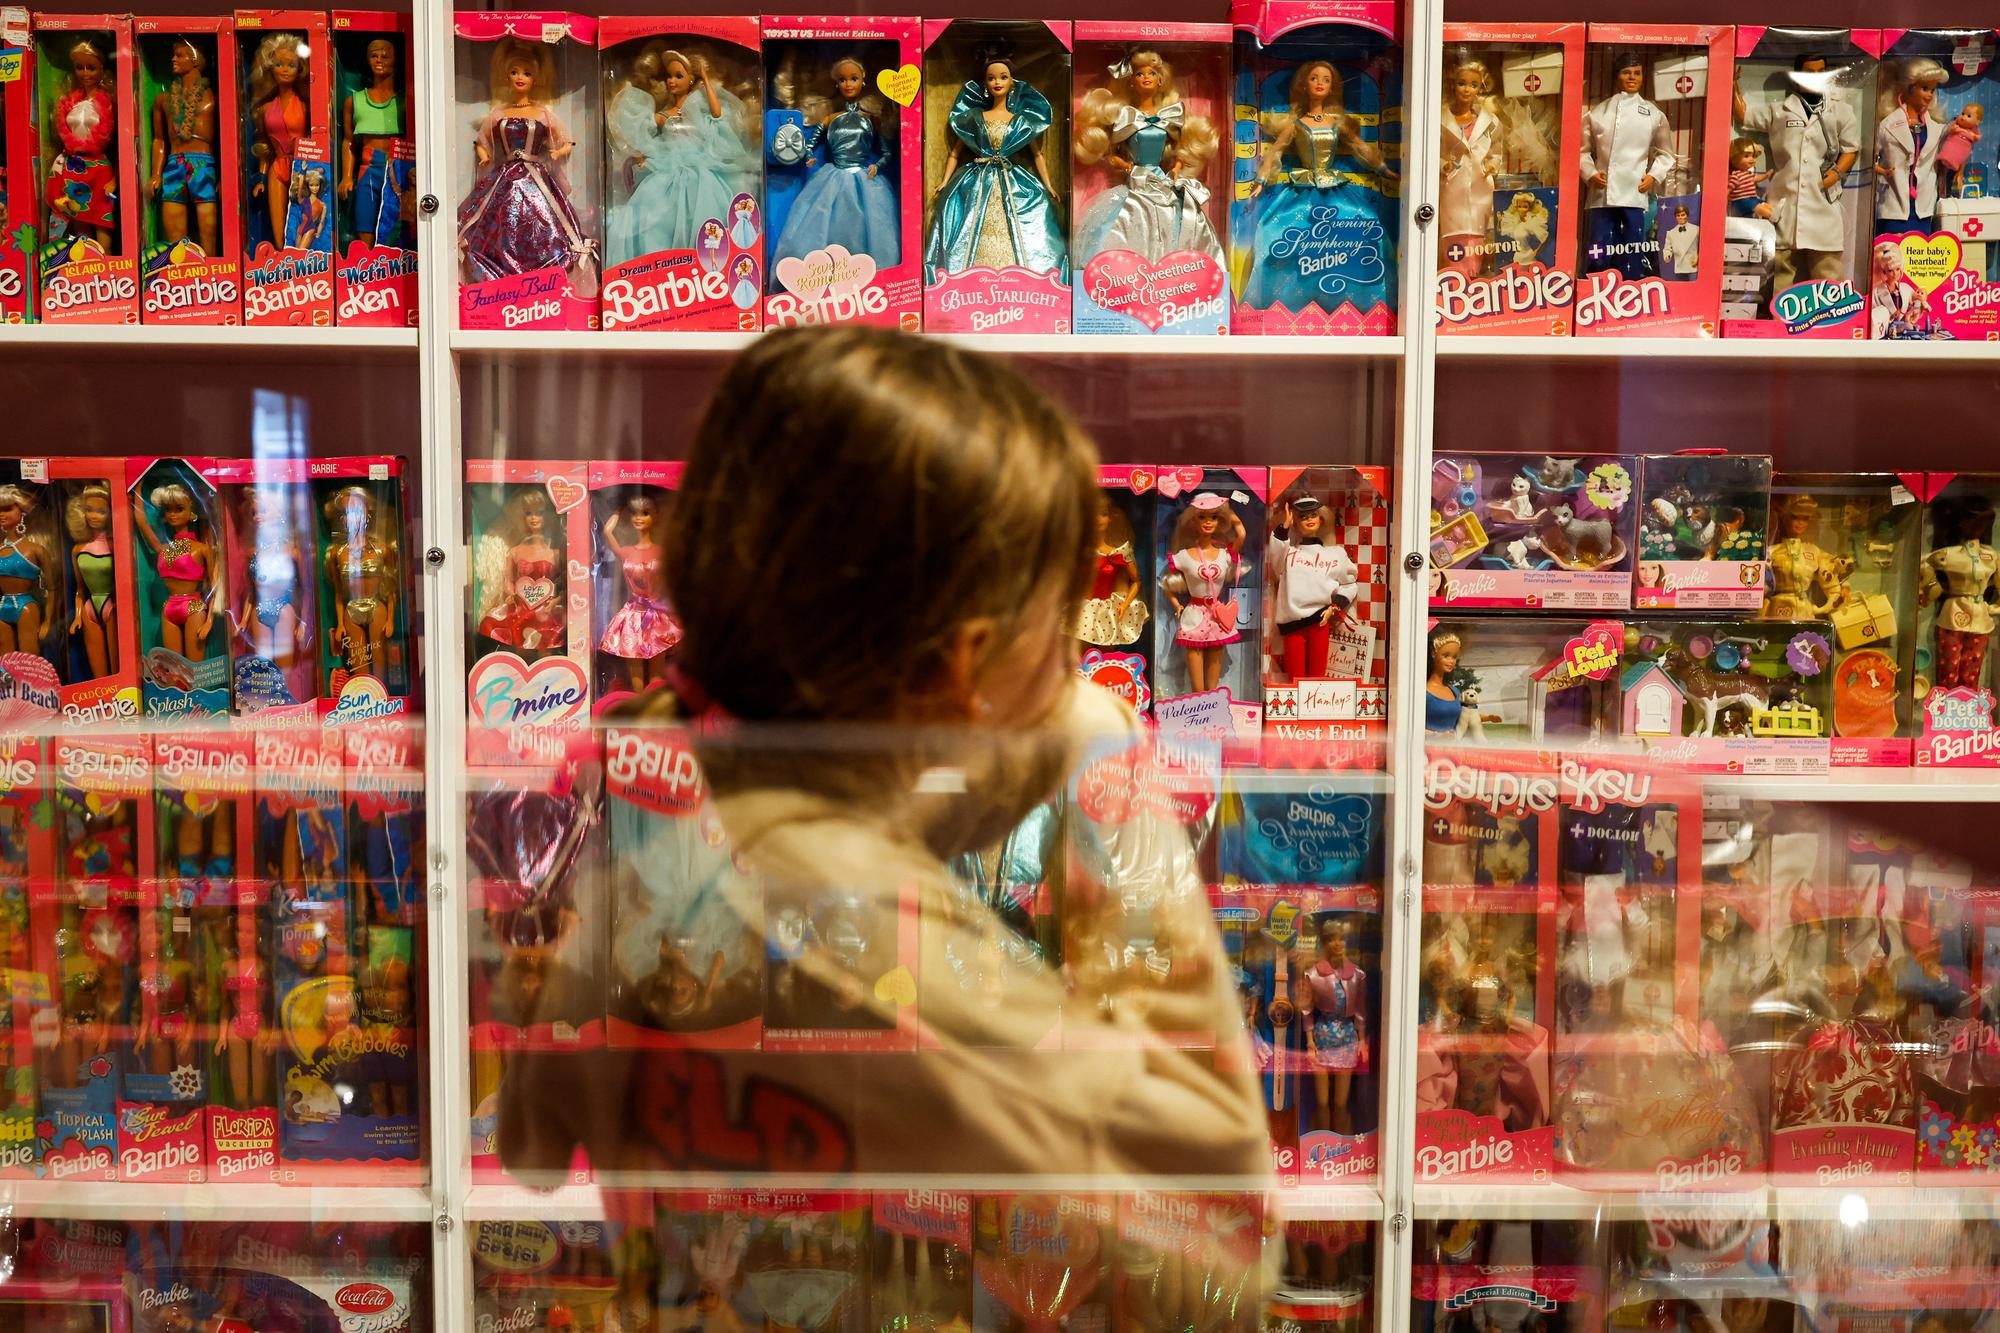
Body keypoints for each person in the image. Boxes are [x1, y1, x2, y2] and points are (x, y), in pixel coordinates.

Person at [495, 327, 1273, 1195]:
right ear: (964, 664)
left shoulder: (658, 773)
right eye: (1052, 625)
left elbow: (531, 1143)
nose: (1069, 661)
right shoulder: (922, 952)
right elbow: (1219, 1194)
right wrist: (1101, 737)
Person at [1732, 52, 1860, 290]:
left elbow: (1851, 148)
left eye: (1820, 72)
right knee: (1782, 274)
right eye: (1808, 73)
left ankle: (1829, 312)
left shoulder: (1840, 111)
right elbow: (1744, 116)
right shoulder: (1780, 111)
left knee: (1828, 274)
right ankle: (1778, 313)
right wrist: (1732, 84)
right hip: (1785, 202)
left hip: (1823, 202)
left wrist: (1837, 173)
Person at [1580, 51, 1674, 283]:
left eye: (1637, 73)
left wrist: (1653, 176)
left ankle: (1630, 284)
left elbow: (1666, 154)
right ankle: (1595, 283)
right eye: (1626, 72)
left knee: (1632, 247)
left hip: (1635, 191)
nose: (1632, 77)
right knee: (1598, 247)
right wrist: (1591, 173)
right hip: (1602, 193)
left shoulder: (1653, 114)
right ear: (1616, 76)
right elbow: (1580, 151)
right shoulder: (1598, 113)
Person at [1661, 203, 1700, 281]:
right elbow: (1667, 248)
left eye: (1683, 215)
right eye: (1678, 215)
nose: (1680, 217)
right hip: (1679, 267)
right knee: (1681, 287)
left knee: (1694, 287)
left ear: (1687, 215)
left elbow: (1702, 246)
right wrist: (1667, 255)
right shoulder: (1671, 233)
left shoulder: (1696, 229)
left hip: (1693, 265)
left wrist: (1698, 258)